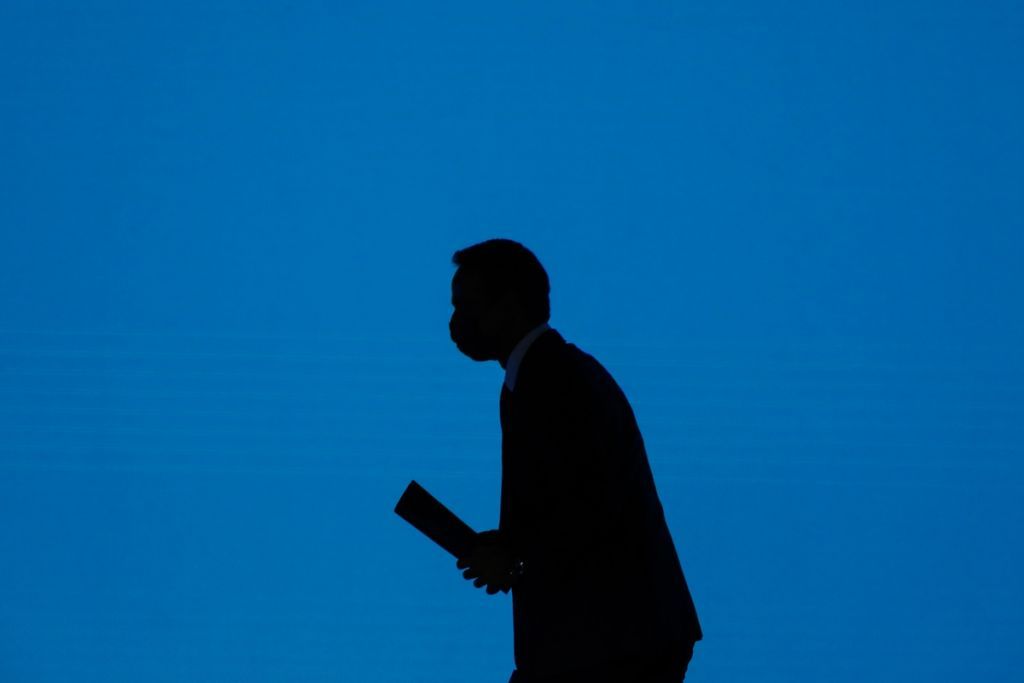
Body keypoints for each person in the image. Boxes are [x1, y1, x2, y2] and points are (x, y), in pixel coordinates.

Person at [448, 238, 703, 683]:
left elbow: (588, 508)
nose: (456, 322)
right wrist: (508, 547)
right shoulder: (543, 375)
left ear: (509, 305)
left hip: (610, 641)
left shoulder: (553, 380)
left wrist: (513, 555)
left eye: (467, 306)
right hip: (608, 637)